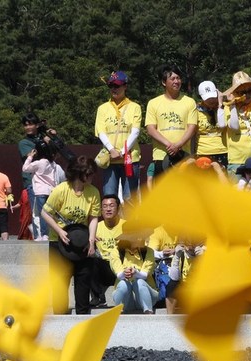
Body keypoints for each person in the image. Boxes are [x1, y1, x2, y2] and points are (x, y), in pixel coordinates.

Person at [41, 156, 100, 314]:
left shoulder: (93, 192)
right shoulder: (61, 189)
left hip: (82, 241)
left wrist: (91, 241)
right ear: (81, 174)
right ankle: (60, 317)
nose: (93, 177)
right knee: (59, 284)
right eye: (90, 174)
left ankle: (83, 318)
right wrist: (59, 231)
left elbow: (93, 218)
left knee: (83, 282)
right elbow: (45, 213)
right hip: (59, 243)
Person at [93, 194, 157, 313]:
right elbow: (119, 274)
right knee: (123, 284)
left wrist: (135, 273)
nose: (138, 239)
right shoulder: (116, 251)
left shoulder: (148, 252)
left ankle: (148, 311)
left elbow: (144, 274)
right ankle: (120, 309)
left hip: (147, 292)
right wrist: (125, 273)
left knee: (140, 282)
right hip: (125, 290)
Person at [95, 70, 142, 199]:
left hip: (130, 159)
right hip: (110, 159)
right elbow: (100, 131)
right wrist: (111, 149)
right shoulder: (102, 108)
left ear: (125, 86)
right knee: (110, 197)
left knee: (129, 199)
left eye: (117, 85)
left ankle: (129, 220)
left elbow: (135, 131)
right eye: (111, 86)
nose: (113, 89)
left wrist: (121, 152)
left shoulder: (135, 107)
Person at [145, 66, 197, 179]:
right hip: (161, 155)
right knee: (164, 194)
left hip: (184, 155)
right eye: (172, 79)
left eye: (178, 78)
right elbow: (150, 129)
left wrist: (178, 145)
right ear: (164, 82)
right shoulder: (153, 103)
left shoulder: (189, 102)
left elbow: (192, 127)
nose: (176, 81)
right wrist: (169, 145)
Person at [224, 71, 251, 173]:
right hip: (237, 159)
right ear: (234, 93)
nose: (246, 95)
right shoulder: (228, 108)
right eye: (241, 92)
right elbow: (234, 126)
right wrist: (233, 104)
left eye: (249, 91)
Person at [22, 144, 64, 241]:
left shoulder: (39, 163)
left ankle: (43, 235)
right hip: (51, 191)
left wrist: (30, 156)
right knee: (49, 213)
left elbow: (25, 168)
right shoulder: (53, 164)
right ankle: (48, 234)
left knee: (40, 214)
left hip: (40, 191)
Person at [194, 80, 228, 168]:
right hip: (203, 152)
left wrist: (220, 104)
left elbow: (222, 125)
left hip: (222, 150)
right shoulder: (196, 110)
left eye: (213, 97)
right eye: (207, 98)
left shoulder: (223, 108)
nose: (211, 100)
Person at [18, 113, 44, 210]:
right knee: (37, 213)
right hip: (32, 182)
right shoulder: (24, 143)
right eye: (26, 125)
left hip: (47, 181)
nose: (28, 127)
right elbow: (32, 157)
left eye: (30, 124)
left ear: (37, 125)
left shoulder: (43, 138)